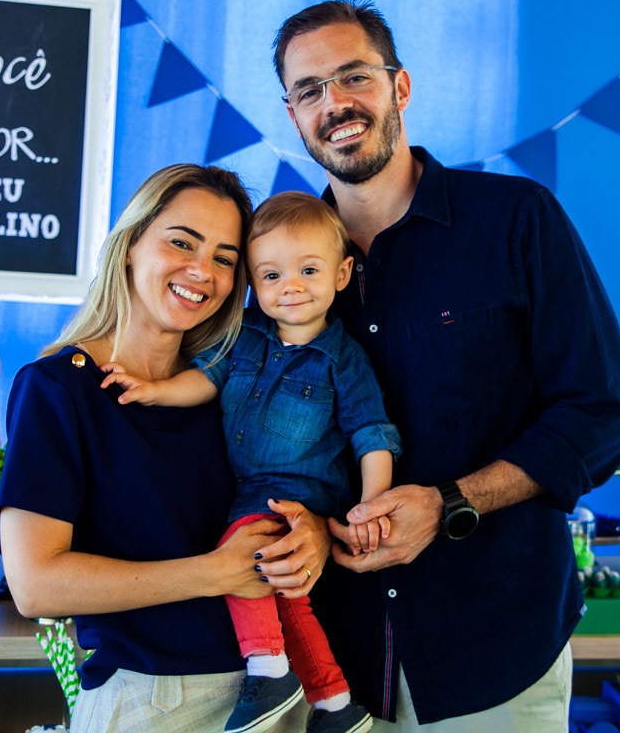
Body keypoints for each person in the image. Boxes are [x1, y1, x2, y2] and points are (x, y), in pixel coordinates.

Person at [271, 0, 620, 732]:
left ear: (399, 86)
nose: (334, 104)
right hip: (334, 666)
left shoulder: (516, 220)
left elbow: (601, 413)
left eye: (354, 77)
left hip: (495, 650)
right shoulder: (278, 264)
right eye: (309, 90)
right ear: (293, 115)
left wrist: (450, 503)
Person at [0, 164, 331, 733]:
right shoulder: (58, 388)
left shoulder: (232, 384)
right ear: (130, 245)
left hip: (282, 691)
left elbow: (289, 488)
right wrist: (215, 573)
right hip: (154, 701)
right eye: (181, 242)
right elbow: (35, 586)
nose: (202, 271)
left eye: (225, 258)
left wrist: (311, 535)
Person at [100, 191, 402, 733]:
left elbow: (372, 436)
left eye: (308, 270)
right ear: (252, 284)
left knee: (243, 557)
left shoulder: (344, 360)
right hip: (249, 489)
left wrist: (370, 508)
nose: (290, 286)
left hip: (299, 497)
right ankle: (335, 703)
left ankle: (268, 670)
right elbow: (205, 380)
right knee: (289, 598)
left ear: (341, 274)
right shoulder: (246, 333)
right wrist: (154, 391)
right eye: (271, 275)